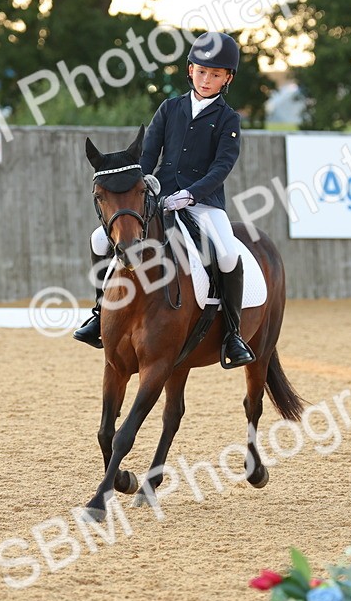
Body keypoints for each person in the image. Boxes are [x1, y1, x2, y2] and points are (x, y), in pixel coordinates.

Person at [74, 30, 256, 368]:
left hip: (203, 202)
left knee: (229, 255)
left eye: (215, 74)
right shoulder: (170, 107)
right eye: (201, 71)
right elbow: (147, 153)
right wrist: (145, 186)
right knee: (99, 238)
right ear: (190, 70)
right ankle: (99, 313)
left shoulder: (228, 119)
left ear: (227, 78)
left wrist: (191, 194)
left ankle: (232, 334)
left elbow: (222, 166)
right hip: (157, 197)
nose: (206, 79)